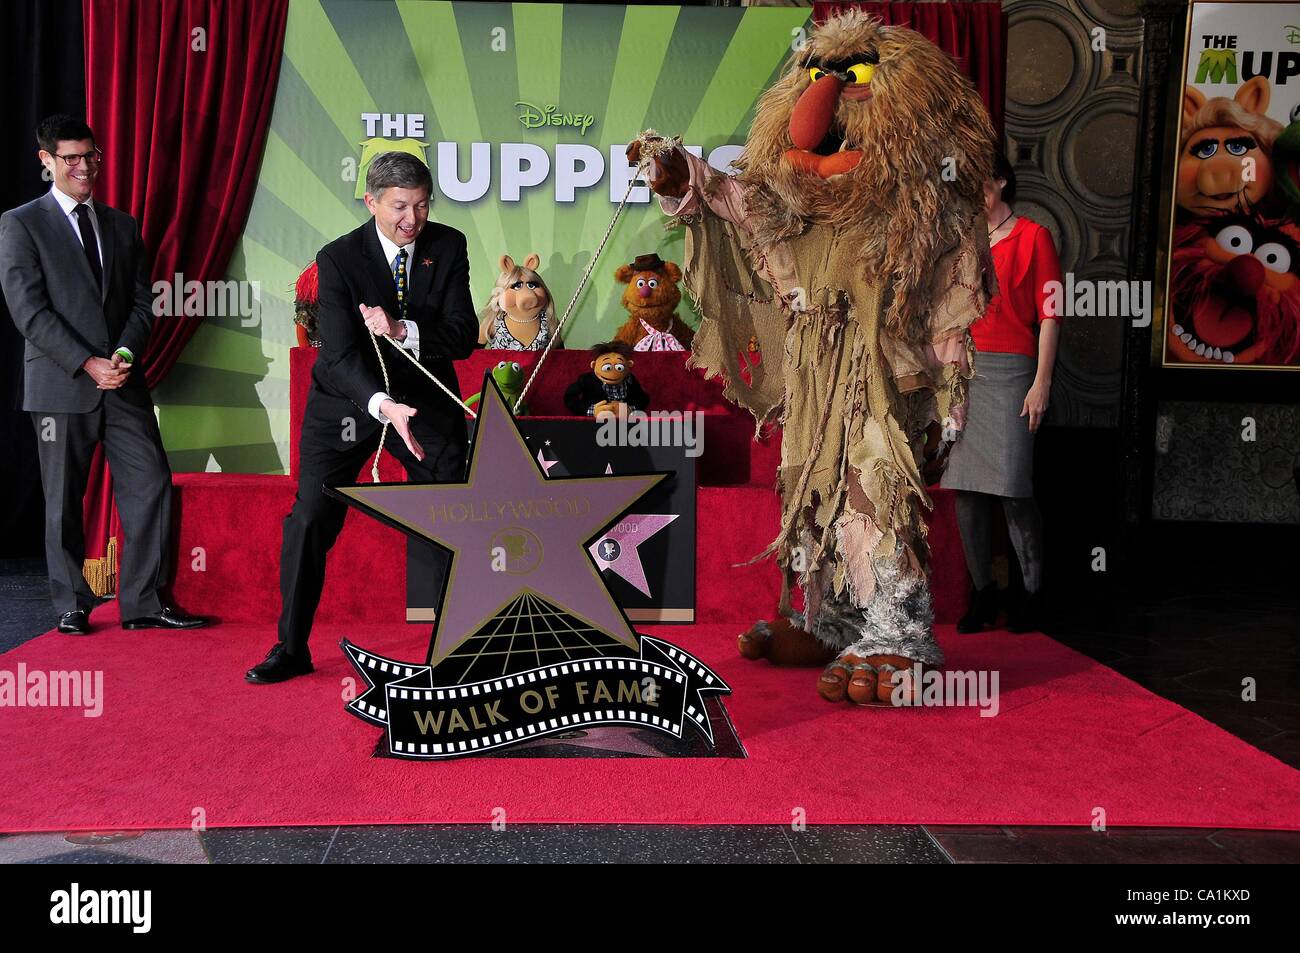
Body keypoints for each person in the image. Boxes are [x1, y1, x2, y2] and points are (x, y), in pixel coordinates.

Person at [246, 151, 478, 684]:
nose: (412, 220)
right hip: (348, 402)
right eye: (399, 206)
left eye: (421, 206)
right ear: (371, 201)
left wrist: (402, 331)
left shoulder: (448, 247)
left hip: (424, 399)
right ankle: (290, 648)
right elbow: (339, 356)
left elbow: (463, 334)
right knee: (309, 519)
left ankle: (456, 652)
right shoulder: (339, 259)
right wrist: (382, 405)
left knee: (453, 513)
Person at [0, 114, 206, 636]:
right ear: (46, 161)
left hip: (122, 379)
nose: (84, 167)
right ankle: (71, 602)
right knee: (63, 500)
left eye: (90, 155)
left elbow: (141, 301)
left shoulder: (121, 224)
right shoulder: (21, 223)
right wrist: (86, 362)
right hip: (61, 383)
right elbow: (29, 311)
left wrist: (123, 355)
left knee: (150, 483)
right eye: (70, 158)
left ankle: (142, 602)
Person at [941, 153, 1063, 633]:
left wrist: (1042, 383)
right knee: (966, 492)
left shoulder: (1035, 237)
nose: (973, 191)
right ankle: (982, 595)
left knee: (1014, 490)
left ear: (1001, 181)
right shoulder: (961, 241)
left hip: (1014, 371)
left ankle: (1032, 594)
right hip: (964, 370)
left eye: (980, 182)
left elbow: (1051, 314)